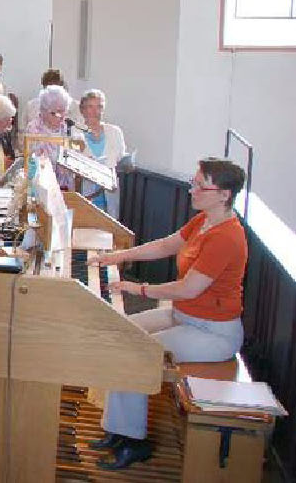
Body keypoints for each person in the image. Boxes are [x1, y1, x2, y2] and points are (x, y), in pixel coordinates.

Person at [88, 158, 248, 471]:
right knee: (121, 333)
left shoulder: (227, 236)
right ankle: (117, 432)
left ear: (224, 194)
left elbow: (188, 289)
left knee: (136, 352)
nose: (192, 190)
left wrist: (138, 288)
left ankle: (135, 442)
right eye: (194, 182)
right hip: (185, 317)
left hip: (213, 333)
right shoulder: (204, 221)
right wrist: (117, 256)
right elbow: (165, 246)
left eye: (201, 186)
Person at [25, 84, 76, 189]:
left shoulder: (67, 128)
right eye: (56, 112)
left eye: (64, 111)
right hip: (41, 186)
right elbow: (37, 161)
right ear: (43, 111)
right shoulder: (34, 129)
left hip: (65, 188)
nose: (61, 116)